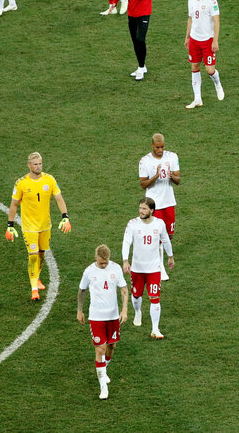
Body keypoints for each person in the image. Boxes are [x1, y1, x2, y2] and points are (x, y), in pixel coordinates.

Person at [6, 152, 72, 301]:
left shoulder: (49, 180)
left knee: (41, 253)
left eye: (40, 164)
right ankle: (34, 289)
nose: (38, 167)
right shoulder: (21, 183)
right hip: (29, 227)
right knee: (33, 255)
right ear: (29, 165)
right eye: (35, 164)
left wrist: (65, 217)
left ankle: (37, 277)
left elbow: (59, 199)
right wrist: (10, 225)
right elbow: (14, 204)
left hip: (45, 225)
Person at [77, 244, 128, 400]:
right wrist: (80, 310)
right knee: (100, 350)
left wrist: (124, 309)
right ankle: (103, 388)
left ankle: (103, 370)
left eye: (105, 262)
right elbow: (82, 290)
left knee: (111, 347)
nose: (104, 265)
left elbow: (124, 289)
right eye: (101, 263)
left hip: (113, 316)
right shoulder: (89, 272)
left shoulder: (116, 269)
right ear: (96, 258)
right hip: (96, 317)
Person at [122, 197, 174, 339]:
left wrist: (170, 257)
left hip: (154, 269)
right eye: (140, 208)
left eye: (144, 209)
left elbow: (165, 240)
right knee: (136, 295)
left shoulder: (159, 224)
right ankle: (138, 312)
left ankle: (155, 329)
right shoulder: (133, 224)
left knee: (155, 298)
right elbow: (126, 242)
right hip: (137, 268)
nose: (141, 211)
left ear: (152, 210)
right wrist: (125, 261)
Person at [139, 133, 180, 281]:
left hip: (169, 202)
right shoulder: (145, 161)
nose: (161, 150)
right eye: (158, 147)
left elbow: (178, 179)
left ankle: (157, 258)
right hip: (154, 204)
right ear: (152, 146)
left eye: (162, 147)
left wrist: (172, 176)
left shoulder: (172, 157)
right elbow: (143, 184)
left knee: (169, 235)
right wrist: (155, 176)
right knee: (158, 236)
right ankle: (160, 267)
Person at [109, 0, 155, 80]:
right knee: (135, 40)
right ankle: (142, 65)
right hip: (132, 13)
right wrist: (114, 2)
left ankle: (140, 68)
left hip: (144, 12)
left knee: (140, 38)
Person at [184, 0, 224, 108]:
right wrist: (187, 37)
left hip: (207, 40)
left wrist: (215, 40)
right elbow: (190, 19)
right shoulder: (190, 1)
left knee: (209, 70)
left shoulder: (210, 1)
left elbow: (216, 21)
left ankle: (217, 84)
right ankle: (197, 99)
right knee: (194, 67)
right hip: (195, 40)